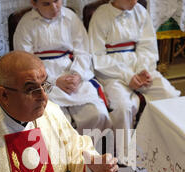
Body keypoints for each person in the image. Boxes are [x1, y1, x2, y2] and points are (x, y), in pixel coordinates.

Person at [88, 0, 180, 163]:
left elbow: (148, 47)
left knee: (169, 94)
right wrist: (127, 76)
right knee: (123, 107)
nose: (135, 1)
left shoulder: (140, 12)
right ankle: (125, 157)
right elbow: (98, 57)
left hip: (139, 69)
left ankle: (162, 146)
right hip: (112, 74)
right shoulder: (100, 16)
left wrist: (142, 70)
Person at [13, 0, 112, 135]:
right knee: (57, 121)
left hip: (71, 73)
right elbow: (25, 62)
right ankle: (64, 154)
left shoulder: (71, 18)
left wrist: (77, 75)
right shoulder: (26, 25)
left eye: (56, 1)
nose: (54, 7)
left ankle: (88, 152)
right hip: (44, 80)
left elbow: (83, 51)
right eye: (46, 4)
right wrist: (54, 81)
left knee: (98, 114)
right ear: (34, 4)